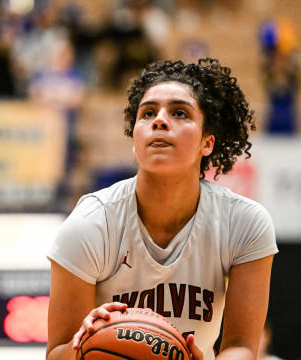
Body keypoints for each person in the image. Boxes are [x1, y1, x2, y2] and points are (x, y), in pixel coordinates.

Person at [46, 58, 278, 360]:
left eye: (179, 112)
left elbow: (241, 347)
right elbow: (55, 353)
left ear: (207, 143)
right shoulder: (91, 223)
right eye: (148, 113)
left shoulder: (245, 223)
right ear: (135, 141)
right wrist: (85, 346)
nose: (160, 120)